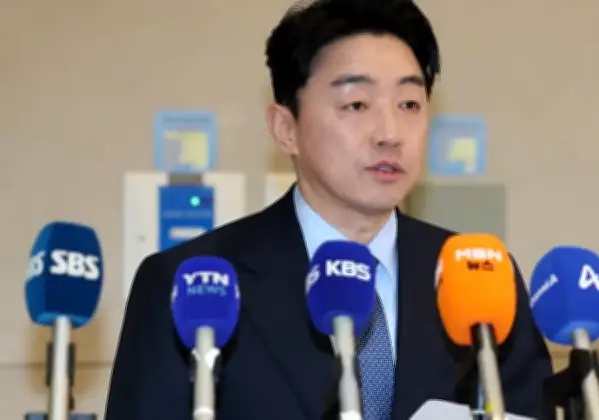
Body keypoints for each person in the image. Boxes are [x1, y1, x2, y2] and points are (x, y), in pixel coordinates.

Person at [104, 1, 555, 419]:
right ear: (286, 128)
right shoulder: (189, 284)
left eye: (409, 104)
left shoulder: (479, 279)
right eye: (356, 104)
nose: (390, 133)